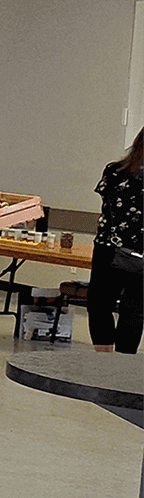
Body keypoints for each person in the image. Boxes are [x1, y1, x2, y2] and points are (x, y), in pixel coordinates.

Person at [92, 129, 144, 354]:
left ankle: (105, 358)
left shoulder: (115, 172)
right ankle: (124, 364)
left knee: (100, 305)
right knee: (134, 310)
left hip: (109, 248)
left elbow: (108, 204)